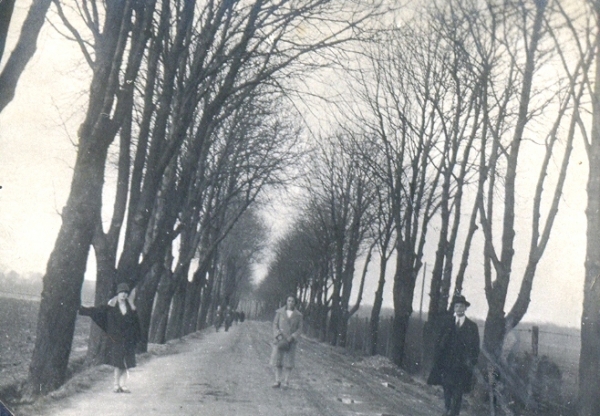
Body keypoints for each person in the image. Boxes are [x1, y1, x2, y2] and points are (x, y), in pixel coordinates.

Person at [79, 282, 141, 393]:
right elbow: (97, 311)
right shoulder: (111, 307)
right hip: (117, 339)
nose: (124, 295)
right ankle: (116, 385)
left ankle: (123, 385)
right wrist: (83, 310)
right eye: (121, 292)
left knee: (126, 364)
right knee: (118, 363)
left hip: (128, 339)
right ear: (118, 293)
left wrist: (136, 337)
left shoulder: (131, 308)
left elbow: (136, 323)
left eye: (126, 293)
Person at [427, 295, 480, 416]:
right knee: (446, 386)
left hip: (462, 364)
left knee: (458, 390)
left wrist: (471, 361)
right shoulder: (447, 323)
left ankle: (454, 413)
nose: (459, 309)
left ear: (465, 308)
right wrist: (438, 357)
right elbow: (439, 341)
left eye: (461, 306)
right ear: (454, 308)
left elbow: (475, 347)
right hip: (447, 363)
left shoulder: (472, 326)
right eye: (456, 306)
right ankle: (447, 407)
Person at [269, 295, 303, 389]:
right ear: (286, 301)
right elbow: (275, 324)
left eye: (292, 301)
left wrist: (293, 336)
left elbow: (300, 329)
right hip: (280, 339)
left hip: (291, 341)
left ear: (295, 303)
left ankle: (286, 382)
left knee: (289, 363)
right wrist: (278, 335)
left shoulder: (298, 315)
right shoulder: (279, 312)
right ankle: (277, 381)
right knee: (278, 361)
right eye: (289, 300)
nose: (290, 303)